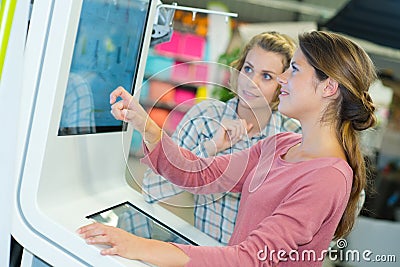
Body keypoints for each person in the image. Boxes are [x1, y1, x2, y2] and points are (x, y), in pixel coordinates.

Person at [78, 31, 377, 266]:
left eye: (294, 69)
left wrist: (141, 246)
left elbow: (250, 259)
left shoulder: (327, 178)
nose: (283, 78)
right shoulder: (281, 145)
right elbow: (198, 173)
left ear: (329, 87)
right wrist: (149, 126)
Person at [142, 31, 301, 245]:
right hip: (202, 251)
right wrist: (210, 147)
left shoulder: (293, 136)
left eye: (266, 76)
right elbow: (152, 188)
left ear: (282, 86)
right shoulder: (205, 116)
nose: (251, 82)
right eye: (248, 69)